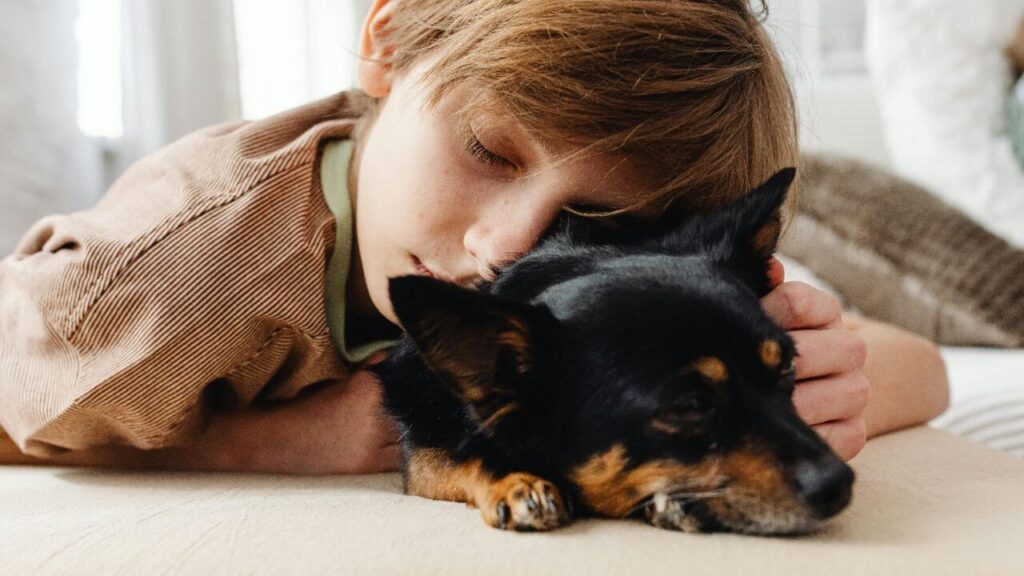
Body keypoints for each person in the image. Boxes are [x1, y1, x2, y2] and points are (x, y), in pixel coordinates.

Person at [0, 0, 949, 474]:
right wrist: (338, 436)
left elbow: (926, 367)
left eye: (599, 220)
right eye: (489, 149)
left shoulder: (612, 265)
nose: (508, 246)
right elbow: (20, 414)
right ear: (388, 41)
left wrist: (824, 372)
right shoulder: (162, 290)